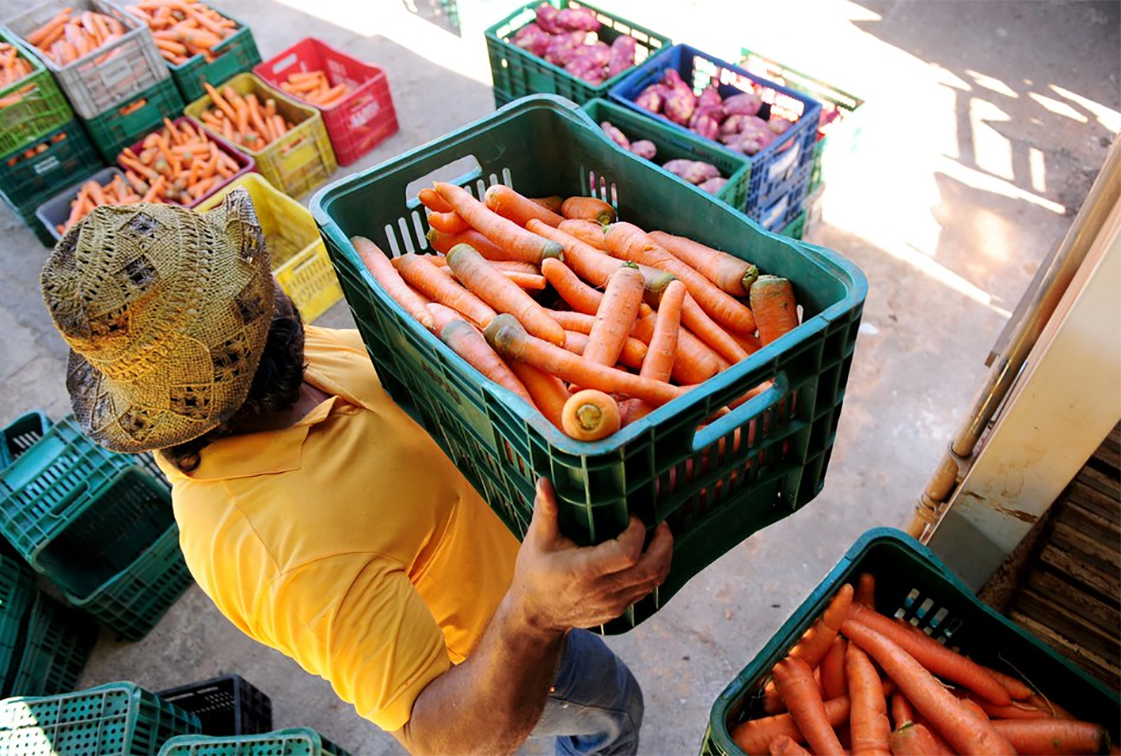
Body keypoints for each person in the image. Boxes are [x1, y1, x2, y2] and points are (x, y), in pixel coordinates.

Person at [39, 191, 673, 756]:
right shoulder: (283, 554)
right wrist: (533, 616)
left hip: (524, 542)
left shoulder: (266, 361)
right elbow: (438, 737)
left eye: (253, 292)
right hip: (505, 644)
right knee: (614, 709)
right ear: (235, 373)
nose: (279, 298)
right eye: (256, 304)